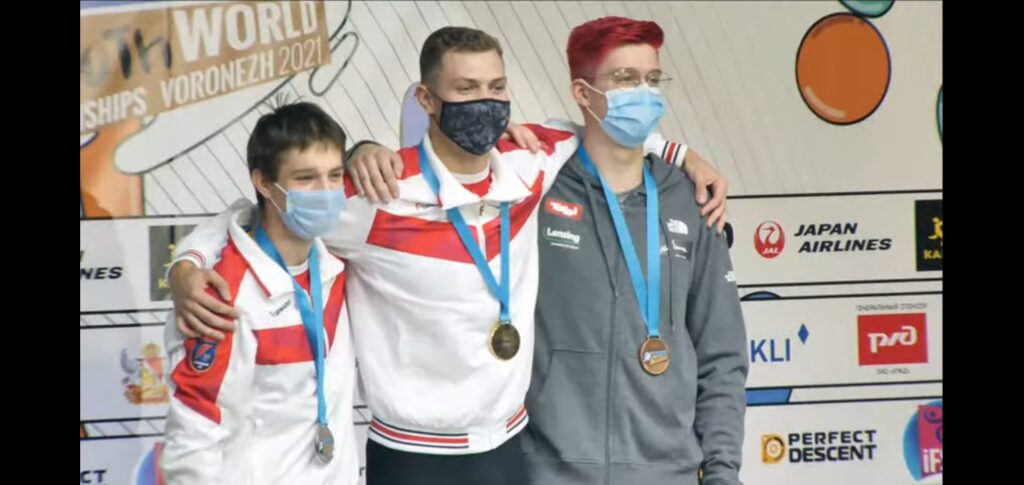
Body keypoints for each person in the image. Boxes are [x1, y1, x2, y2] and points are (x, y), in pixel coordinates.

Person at [166, 26, 728, 485]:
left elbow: (603, 128)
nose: (486, 102)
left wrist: (681, 153)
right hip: (413, 456)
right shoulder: (381, 192)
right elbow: (268, 211)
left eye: (496, 87)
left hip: (510, 448)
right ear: (426, 100)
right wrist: (186, 264)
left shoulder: (531, 161)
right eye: (466, 89)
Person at [519, 17, 748, 485]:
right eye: (625, 79)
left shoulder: (692, 199)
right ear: (582, 93)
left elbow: (722, 356)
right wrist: (366, 152)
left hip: (669, 473)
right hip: (550, 473)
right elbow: (451, 159)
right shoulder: (533, 190)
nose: (643, 93)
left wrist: (722, 472)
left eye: (652, 78)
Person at [160, 102, 360, 485]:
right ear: (265, 183)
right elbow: (194, 434)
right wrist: (185, 264)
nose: (326, 192)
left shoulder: (338, 256)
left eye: (335, 175)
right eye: (306, 179)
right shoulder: (221, 295)